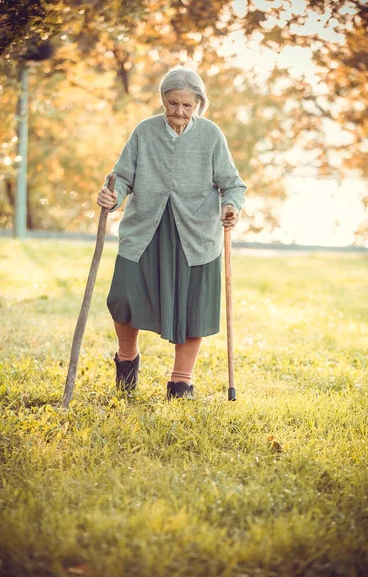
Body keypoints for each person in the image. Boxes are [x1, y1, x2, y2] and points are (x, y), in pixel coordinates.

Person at [97, 66, 247, 399]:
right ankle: (127, 360)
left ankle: (181, 382)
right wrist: (113, 195)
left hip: (195, 236)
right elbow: (122, 177)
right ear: (163, 100)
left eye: (186, 105)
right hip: (145, 231)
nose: (178, 111)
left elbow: (233, 184)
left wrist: (231, 207)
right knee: (123, 299)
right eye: (172, 103)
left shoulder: (210, 136)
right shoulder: (145, 132)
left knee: (193, 308)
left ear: (199, 104)